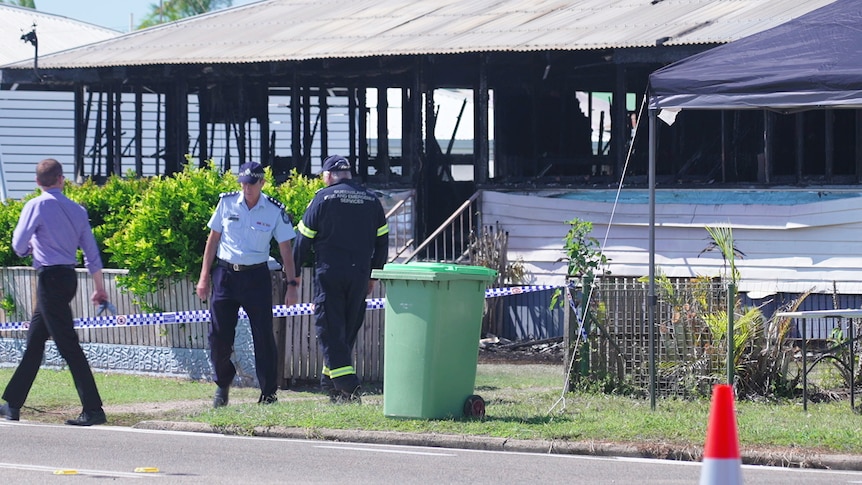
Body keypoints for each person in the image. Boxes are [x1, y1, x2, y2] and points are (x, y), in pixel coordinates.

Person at [0, 158, 108, 426]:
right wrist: (99, 289)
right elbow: (92, 255)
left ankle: (93, 409)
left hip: (48, 279)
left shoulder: (35, 205)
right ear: (61, 179)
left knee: (68, 345)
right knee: (35, 342)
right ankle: (12, 404)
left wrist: (28, 250)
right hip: (68, 278)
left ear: (37, 182)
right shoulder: (78, 210)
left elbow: (18, 244)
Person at [196, 161, 299, 408]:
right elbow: (212, 241)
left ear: (262, 183)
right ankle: (223, 382)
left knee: (263, 336)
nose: (246, 188)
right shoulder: (227, 203)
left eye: (251, 184)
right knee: (218, 337)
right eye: (243, 183)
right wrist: (203, 277)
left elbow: (286, 248)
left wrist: (292, 283)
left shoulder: (274, 210)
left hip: (256, 277)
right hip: (225, 275)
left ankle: (268, 393)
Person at [293, 154, 389, 403]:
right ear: (348, 174)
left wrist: (292, 274)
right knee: (347, 328)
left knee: (330, 328)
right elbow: (382, 241)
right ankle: (331, 385)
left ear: (327, 176)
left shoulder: (322, 198)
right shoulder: (371, 199)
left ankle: (349, 386)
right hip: (359, 275)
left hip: (330, 272)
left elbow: (303, 239)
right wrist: (373, 275)